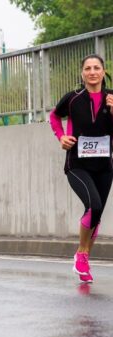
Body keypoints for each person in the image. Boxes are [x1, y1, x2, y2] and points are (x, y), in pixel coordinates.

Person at [50, 54, 113, 283]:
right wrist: (61, 137)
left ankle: (82, 258)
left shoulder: (112, 98)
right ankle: (82, 254)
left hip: (105, 166)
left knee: (95, 216)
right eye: (88, 68)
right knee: (93, 205)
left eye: (97, 67)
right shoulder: (73, 98)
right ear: (82, 73)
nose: (92, 72)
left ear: (104, 71)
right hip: (77, 164)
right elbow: (54, 117)